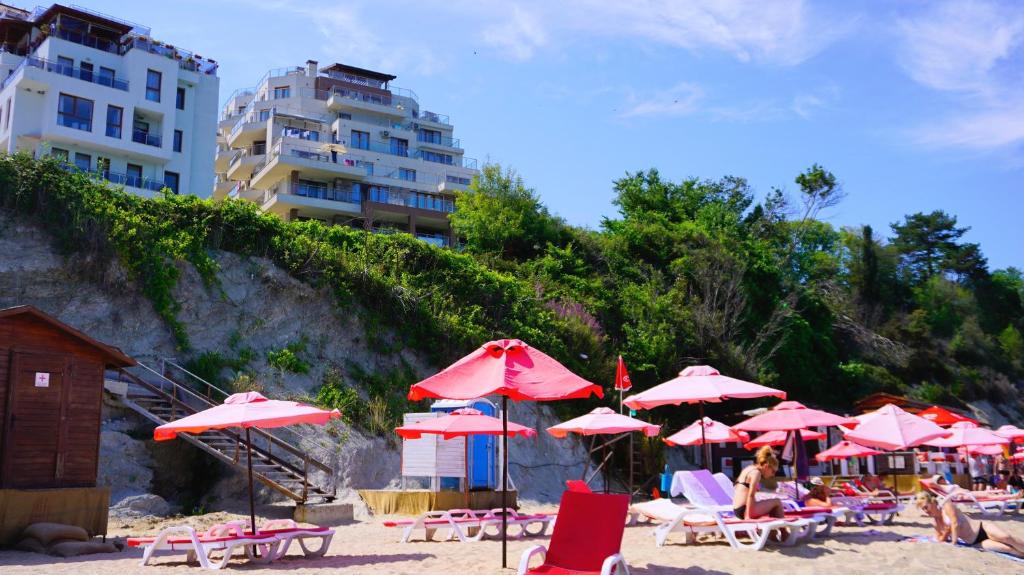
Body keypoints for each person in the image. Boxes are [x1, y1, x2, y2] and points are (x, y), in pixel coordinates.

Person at [916, 491, 1024, 557]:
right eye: (923, 509)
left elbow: (954, 523)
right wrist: (946, 532)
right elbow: (939, 539)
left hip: (982, 528)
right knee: (1009, 549)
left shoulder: (947, 506)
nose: (926, 511)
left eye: (926, 507)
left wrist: (953, 542)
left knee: (1007, 538)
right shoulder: (935, 522)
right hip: (974, 541)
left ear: (932, 502)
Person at [732, 446, 786, 520]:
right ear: (766, 466)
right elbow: (751, 495)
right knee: (777, 502)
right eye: (773, 471)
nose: (773, 475)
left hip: (737, 508)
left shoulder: (749, 468)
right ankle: (784, 531)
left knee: (771, 505)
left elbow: (737, 488)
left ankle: (772, 531)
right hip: (745, 510)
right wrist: (748, 516)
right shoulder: (756, 473)